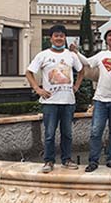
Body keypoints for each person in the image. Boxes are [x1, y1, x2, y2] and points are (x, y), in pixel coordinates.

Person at [26, 25, 84, 172]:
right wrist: (38, 89)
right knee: (50, 134)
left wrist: (76, 86)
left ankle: (66, 159)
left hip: (68, 101)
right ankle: (48, 161)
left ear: (65, 38)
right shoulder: (43, 55)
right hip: (50, 102)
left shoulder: (71, 55)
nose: (59, 38)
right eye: (56, 36)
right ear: (51, 38)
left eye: (62, 36)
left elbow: (81, 70)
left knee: (67, 134)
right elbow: (29, 72)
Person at [71, 28, 111, 172]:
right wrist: (76, 53)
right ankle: (93, 161)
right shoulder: (102, 54)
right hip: (100, 99)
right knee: (96, 131)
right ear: (106, 39)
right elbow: (88, 63)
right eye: (109, 35)